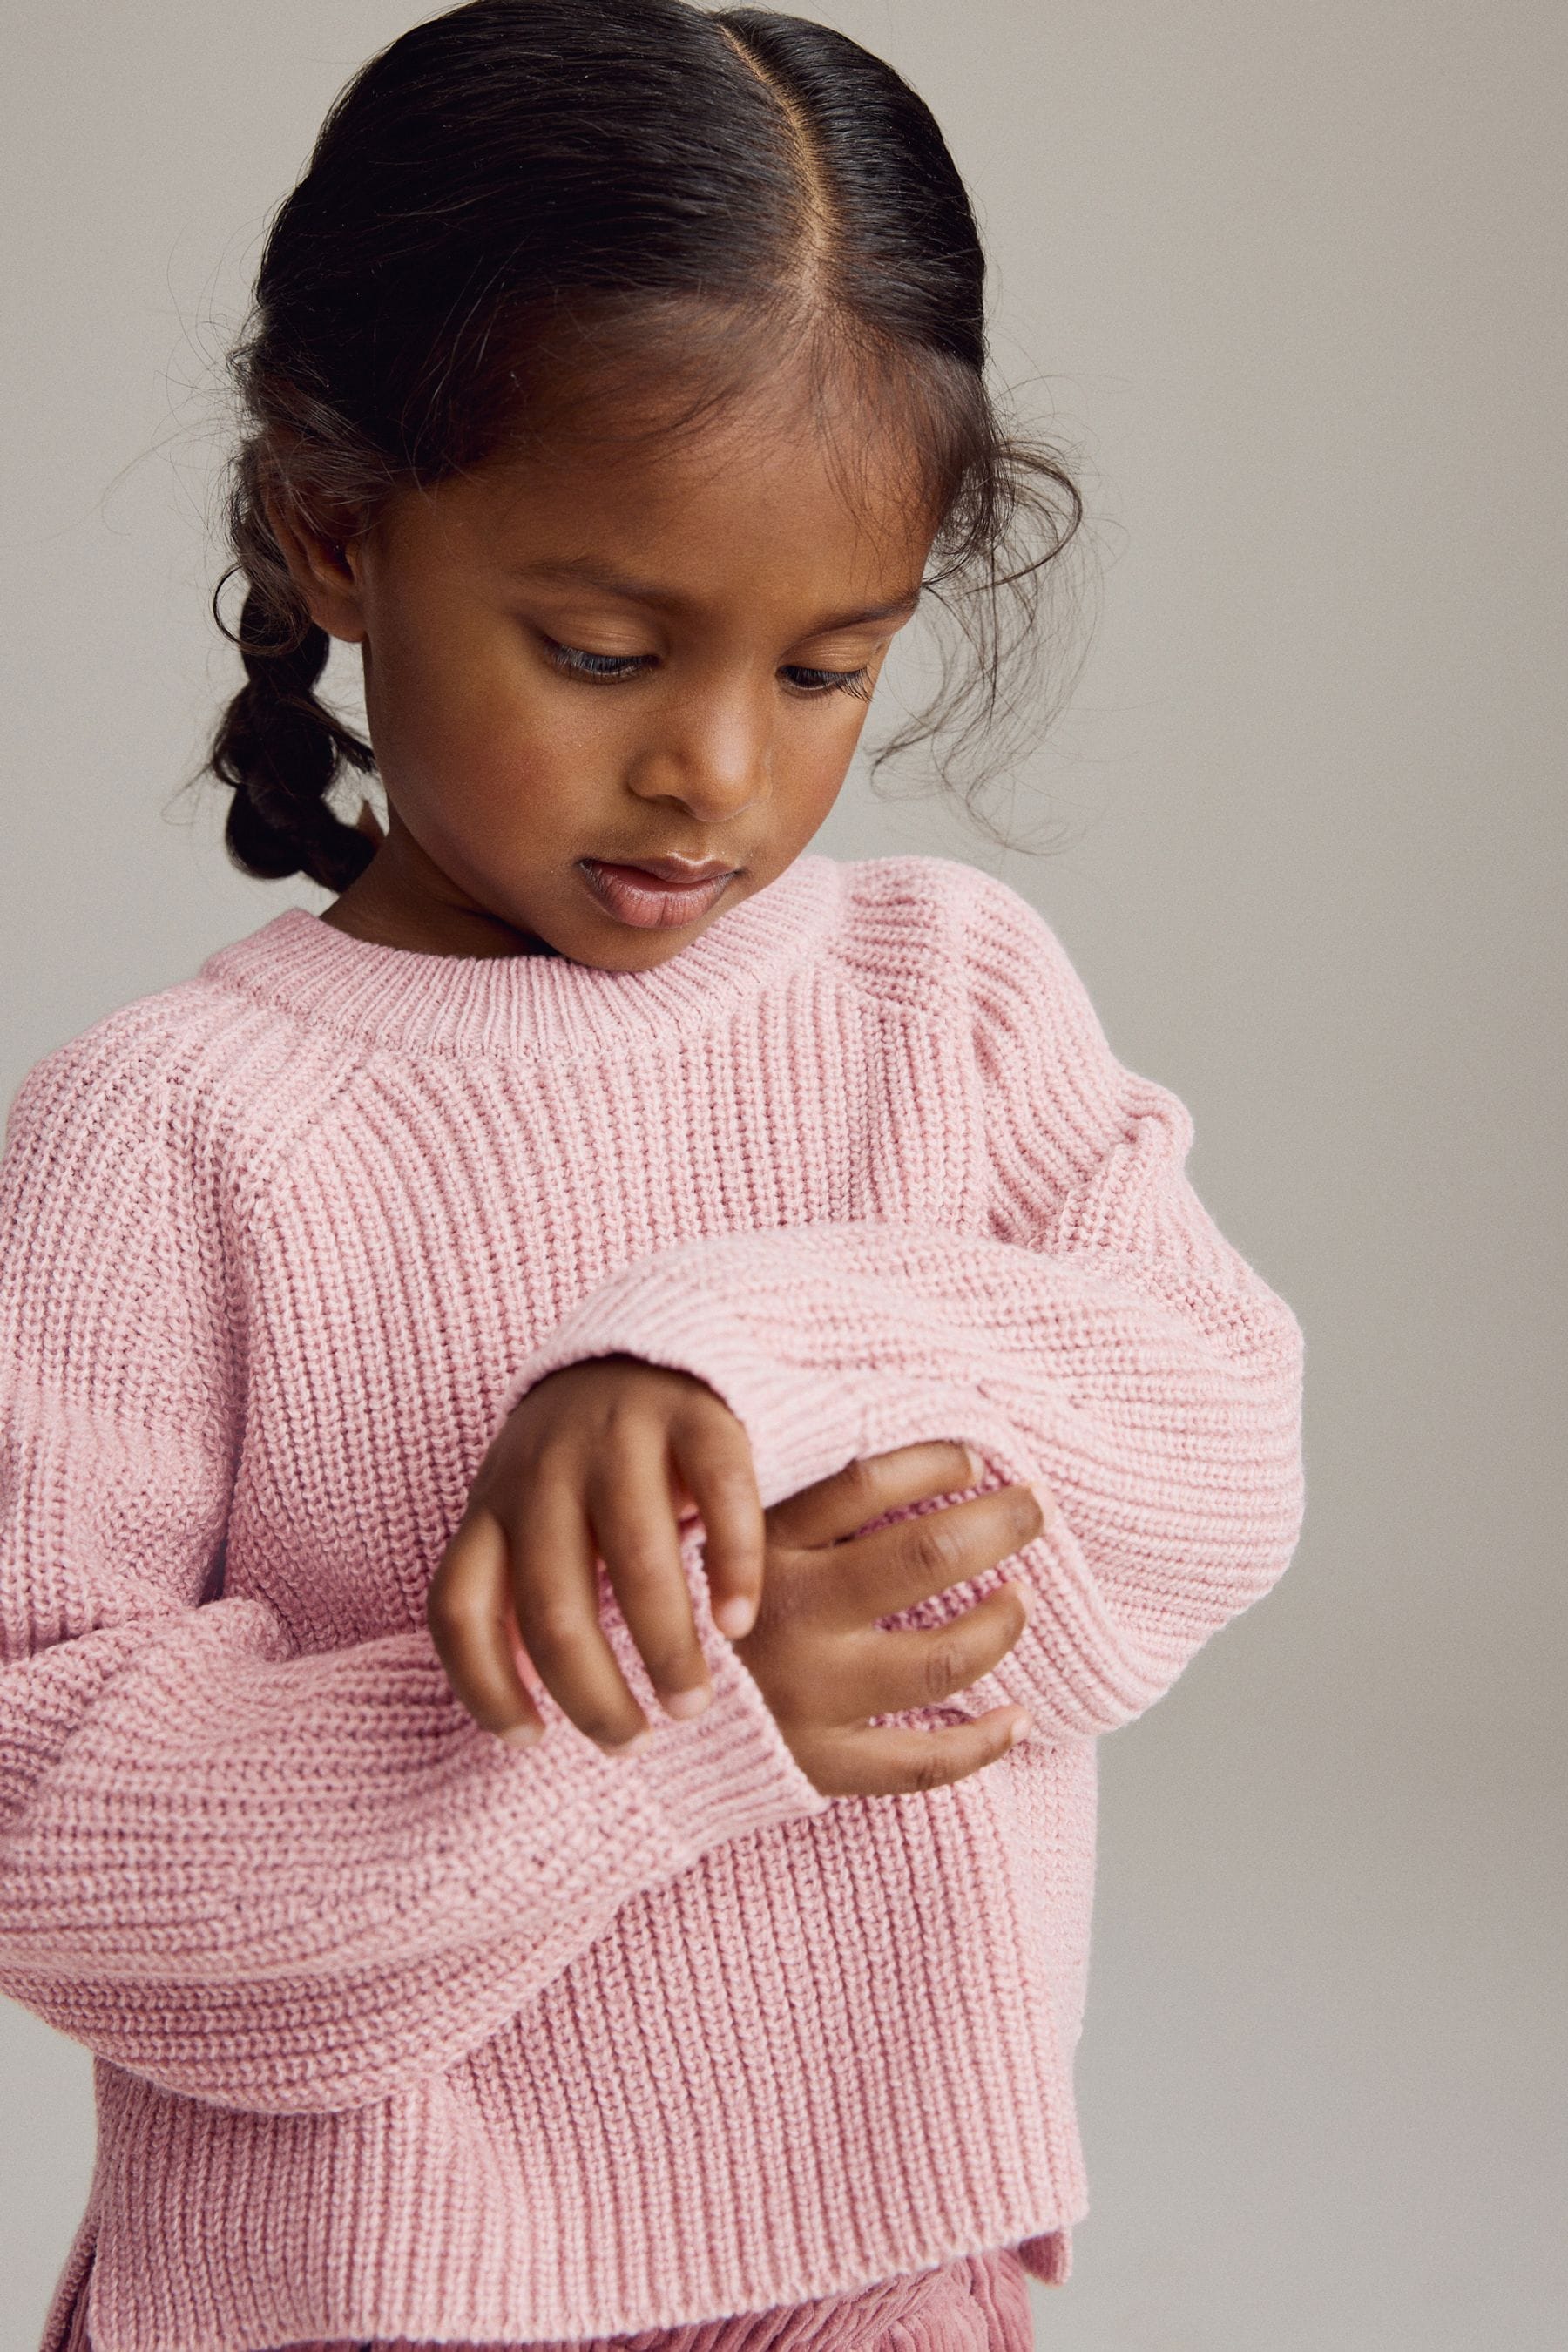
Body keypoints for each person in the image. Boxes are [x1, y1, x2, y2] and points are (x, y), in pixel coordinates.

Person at [0, 5, 1307, 2349]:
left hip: (876, 2271)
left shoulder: (950, 1005)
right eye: (602, 649)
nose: (713, 767)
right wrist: (690, 1709)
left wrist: (721, 1353)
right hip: (351, 2302)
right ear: (336, 530)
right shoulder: (169, 1132)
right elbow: (35, 1815)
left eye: (827, 669)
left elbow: (1214, 1439)